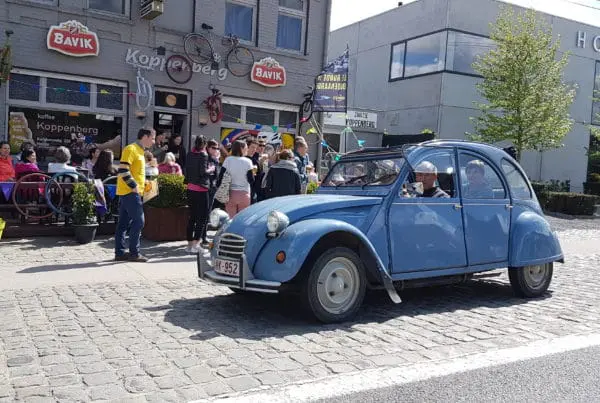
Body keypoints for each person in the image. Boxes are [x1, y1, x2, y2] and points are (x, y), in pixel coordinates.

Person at [114, 127, 156, 263]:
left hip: (130, 192)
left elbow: (133, 172)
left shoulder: (140, 151)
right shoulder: (131, 149)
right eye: (153, 138)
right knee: (139, 221)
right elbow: (122, 170)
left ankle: (120, 253)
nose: (154, 141)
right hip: (130, 192)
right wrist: (134, 186)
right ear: (145, 136)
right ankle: (134, 253)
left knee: (123, 224)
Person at [185, 136, 214, 252]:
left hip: (190, 188)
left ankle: (189, 245)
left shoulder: (189, 154)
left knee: (192, 217)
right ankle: (196, 244)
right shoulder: (203, 154)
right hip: (201, 189)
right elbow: (203, 172)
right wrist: (211, 169)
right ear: (205, 144)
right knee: (202, 217)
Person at [219, 140, 254, 217]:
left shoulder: (228, 160)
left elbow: (221, 176)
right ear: (241, 148)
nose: (247, 149)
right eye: (246, 148)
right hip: (244, 194)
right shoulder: (248, 161)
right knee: (241, 219)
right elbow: (251, 180)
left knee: (230, 219)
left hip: (230, 194)